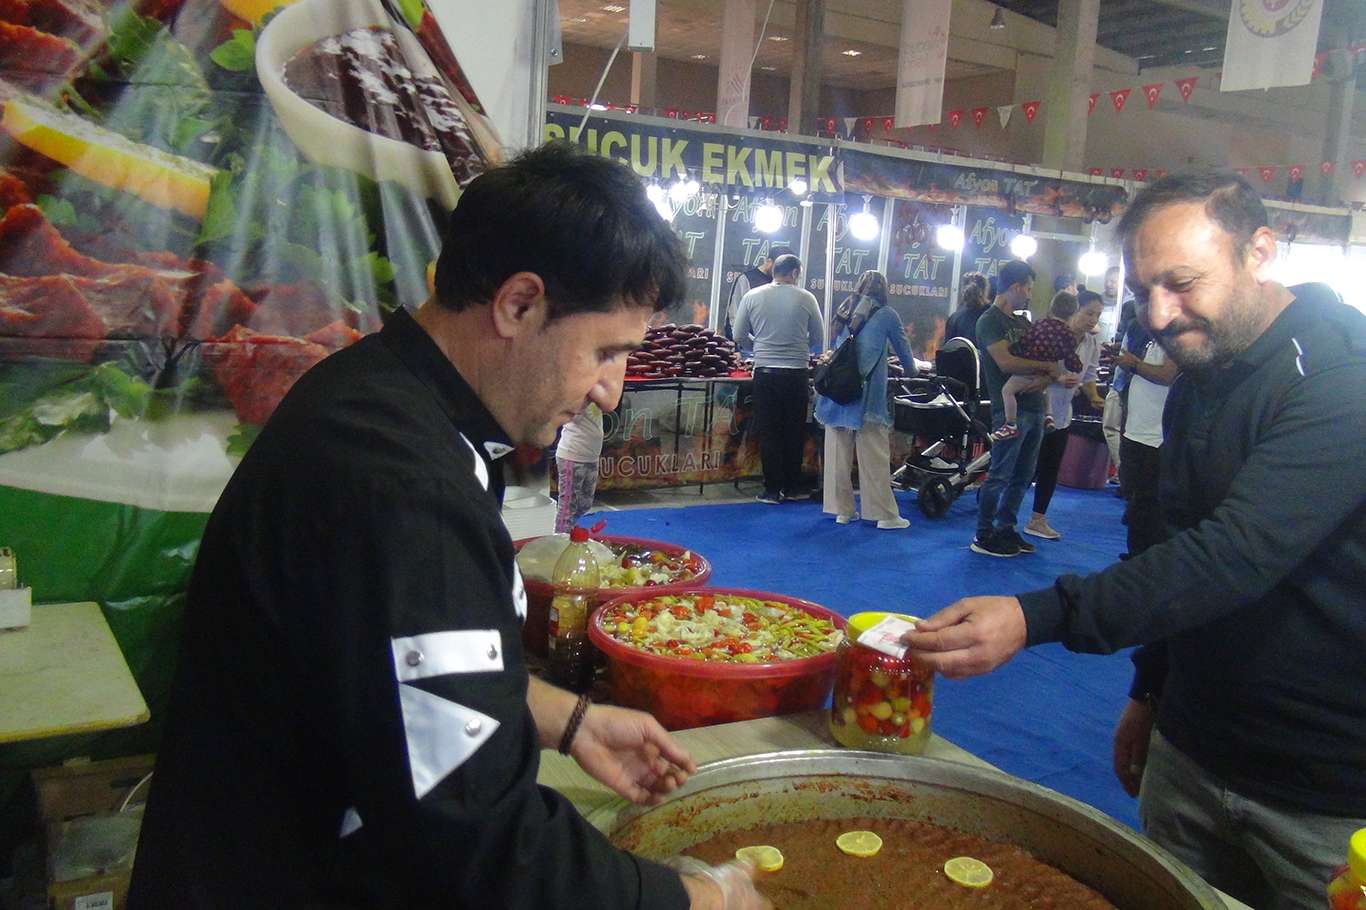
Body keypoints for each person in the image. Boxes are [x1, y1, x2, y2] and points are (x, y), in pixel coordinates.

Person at [128, 144, 768, 910]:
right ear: (519, 304)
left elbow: (375, 666)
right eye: (605, 351)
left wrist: (566, 720)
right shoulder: (402, 483)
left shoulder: (387, 397)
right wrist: (701, 900)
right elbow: (480, 845)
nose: (610, 391)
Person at [902, 172, 1366, 910]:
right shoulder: (1204, 374)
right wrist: (1150, 690)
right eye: (1145, 290)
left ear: (1260, 252)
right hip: (1193, 746)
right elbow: (1165, 539)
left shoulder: (1342, 376)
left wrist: (1035, 616)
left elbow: (1233, 554)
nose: (1158, 314)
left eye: (1182, 283)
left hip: (1326, 797)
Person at [970, 259, 1071, 558]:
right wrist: (1046, 368)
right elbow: (1005, 363)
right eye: (1027, 288)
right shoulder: (989, 321)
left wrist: (1047, 374)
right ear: (1015, 287)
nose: (1029, 294)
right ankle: (984, 533)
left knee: (1023, 476)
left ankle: (1006, 527)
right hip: (1009, 410)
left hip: (1035, 407)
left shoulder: (1024, 323)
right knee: (1000, 474)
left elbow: (1047, 366)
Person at [815, 270, 919, 530]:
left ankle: (842, 511)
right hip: (866, 396)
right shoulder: (887, 315)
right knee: (874, 457)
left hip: (837, 392)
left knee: (838, 456)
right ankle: (883, 514)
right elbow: (907, 360)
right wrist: (911, 370)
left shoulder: (845, 308)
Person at [732, 253, 823, 504]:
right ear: (794, 273)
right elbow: (817, 337)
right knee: (794, 430)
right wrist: (796, 344)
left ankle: (771, 489)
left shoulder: (752, 296)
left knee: (769, 431)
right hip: (796, 373)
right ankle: (792, 487)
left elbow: (738, 335)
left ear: (774, 271)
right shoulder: (807, 298)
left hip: (765, 372)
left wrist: (760, 344)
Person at [1023, 290, 1105, 541]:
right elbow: (1032, 367)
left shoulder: (1091, 343)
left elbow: (1089, 376)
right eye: (1088, 313)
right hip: (1036, 408)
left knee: (1050, 467)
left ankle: (1038, 519)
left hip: (1062, 414)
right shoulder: (1050, 335)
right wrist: (1057, 377)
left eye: (1097, 315)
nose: (1093, 320)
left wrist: (1093, 396)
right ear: (1073, 311)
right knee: (1025, 468)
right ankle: (1002, 517)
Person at [990, 291, 1085, 441]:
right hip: (1047, 371)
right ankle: (1049, 415)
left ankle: (1010, 425)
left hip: (1030, 368)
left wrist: (1016, 351)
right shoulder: (1068, 335)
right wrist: (1076, 367)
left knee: (1007, 391)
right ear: (1073, 314)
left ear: (1051, 308)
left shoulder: (1039, 324)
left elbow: (1025, 340)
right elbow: (1070, 357)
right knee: (1045, 389)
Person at [1115, 332, 1178, 555]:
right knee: (1136, 502)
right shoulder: (1152, 339)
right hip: (1138, 432)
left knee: (1148, 506)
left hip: (1154, 438)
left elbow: (1168, 375)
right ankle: (1136, 554)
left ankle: (1142, 557)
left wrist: (1134, 364)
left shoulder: (1173, 340)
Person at [554, 403, 605, 532]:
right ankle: (561, 536)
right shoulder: (578, 396)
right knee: (567, 506)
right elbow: (571, 413)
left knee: (585, 504)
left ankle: (569, 528)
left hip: (591, 456)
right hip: (572, 455)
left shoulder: (597, 397)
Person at [723, 245, 789, 340]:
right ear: (769, 262)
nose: (782, 274)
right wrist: (741, 344)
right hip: (748, 344)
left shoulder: (784, 283)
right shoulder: (746, 280)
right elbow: (733, 318)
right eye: (779, 269)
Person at [942, 272, 989, 347]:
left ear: (963, 291)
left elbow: (948, 349)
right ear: (985, 291)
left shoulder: (954, 318)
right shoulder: (993, 315)